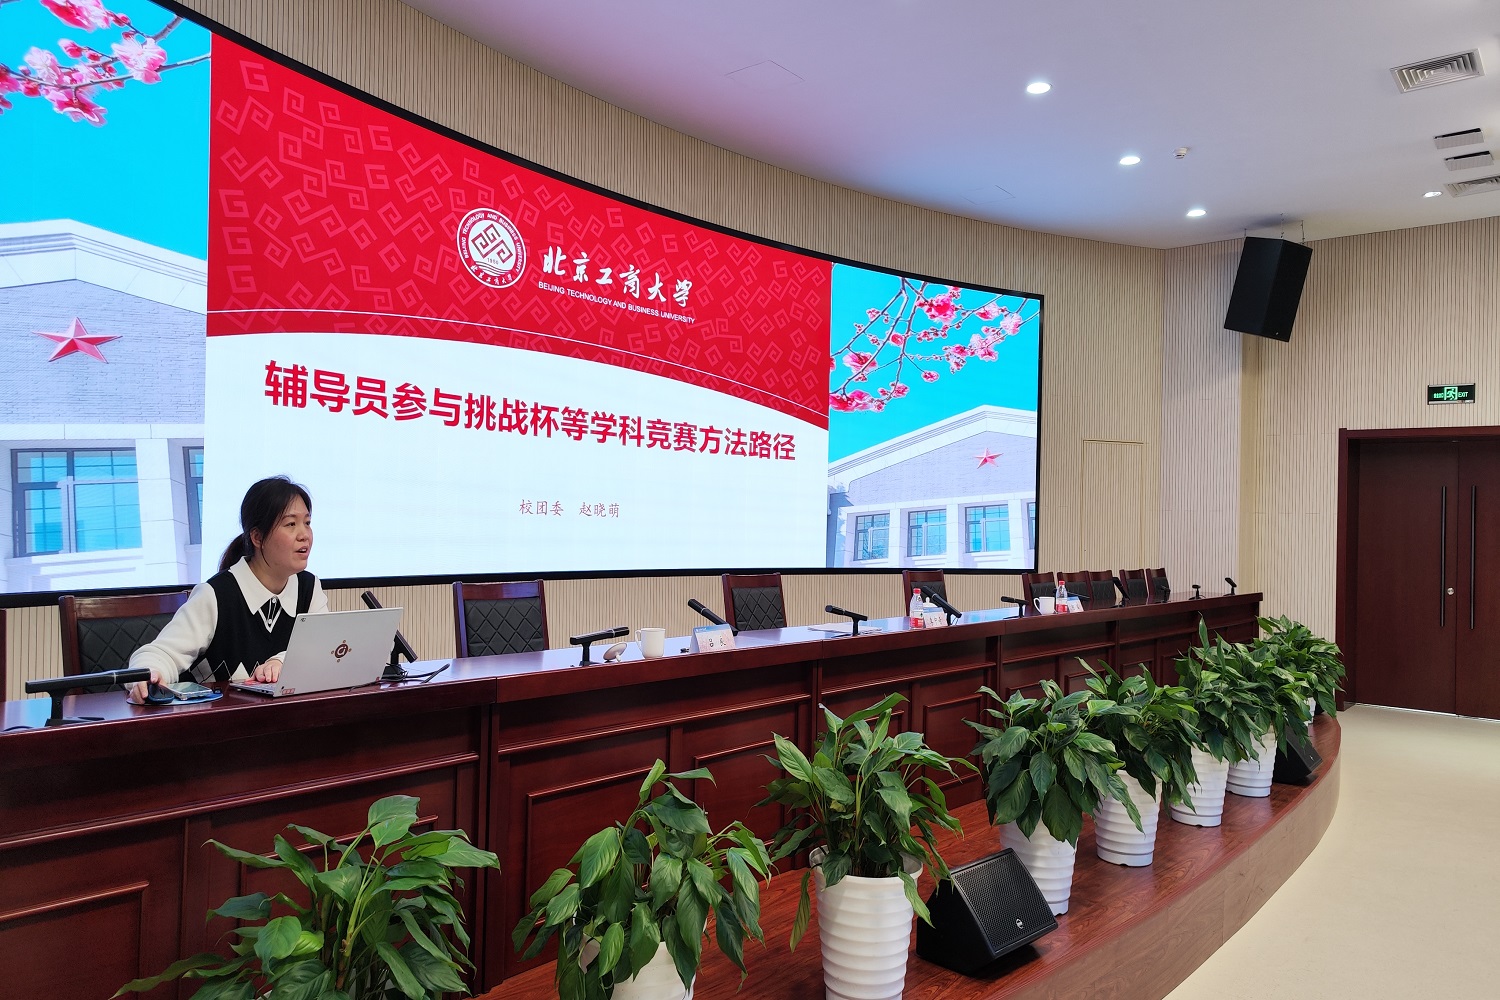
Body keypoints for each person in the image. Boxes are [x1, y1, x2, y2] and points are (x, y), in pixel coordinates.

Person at [126, 476, 328, 703]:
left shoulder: (309, 588)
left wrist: (282, 661)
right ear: (257, 537)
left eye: (307, 523)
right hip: (218, 721)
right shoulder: (216, 595)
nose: (304, 535)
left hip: (288, 720)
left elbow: (323, 648)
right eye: (291, 524)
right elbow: (160, 654)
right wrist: (149, 675)